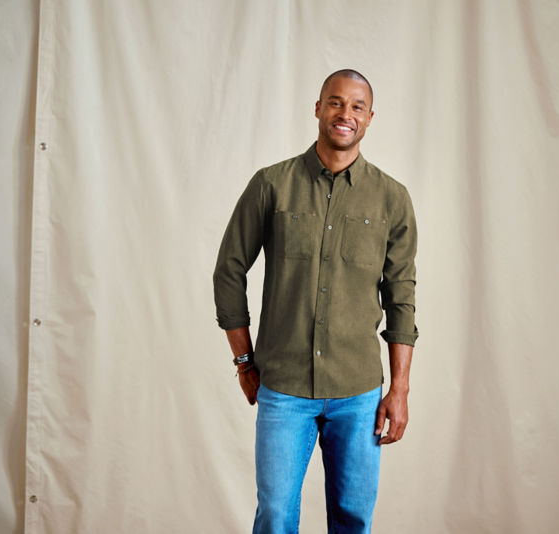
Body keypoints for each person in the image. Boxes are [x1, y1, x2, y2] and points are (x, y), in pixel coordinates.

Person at [213, 69, 418, 533]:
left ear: (370, 117)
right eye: (336, 102)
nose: (346, 113)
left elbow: (401, 297)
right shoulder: (272, 184)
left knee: (352, 520)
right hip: (283, 387)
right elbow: (229, 270)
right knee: (276, 517)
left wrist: (400, 389)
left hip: (358, 392)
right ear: (318, 108)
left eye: (357, 106)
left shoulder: (392, 198)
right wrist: (244, 362)